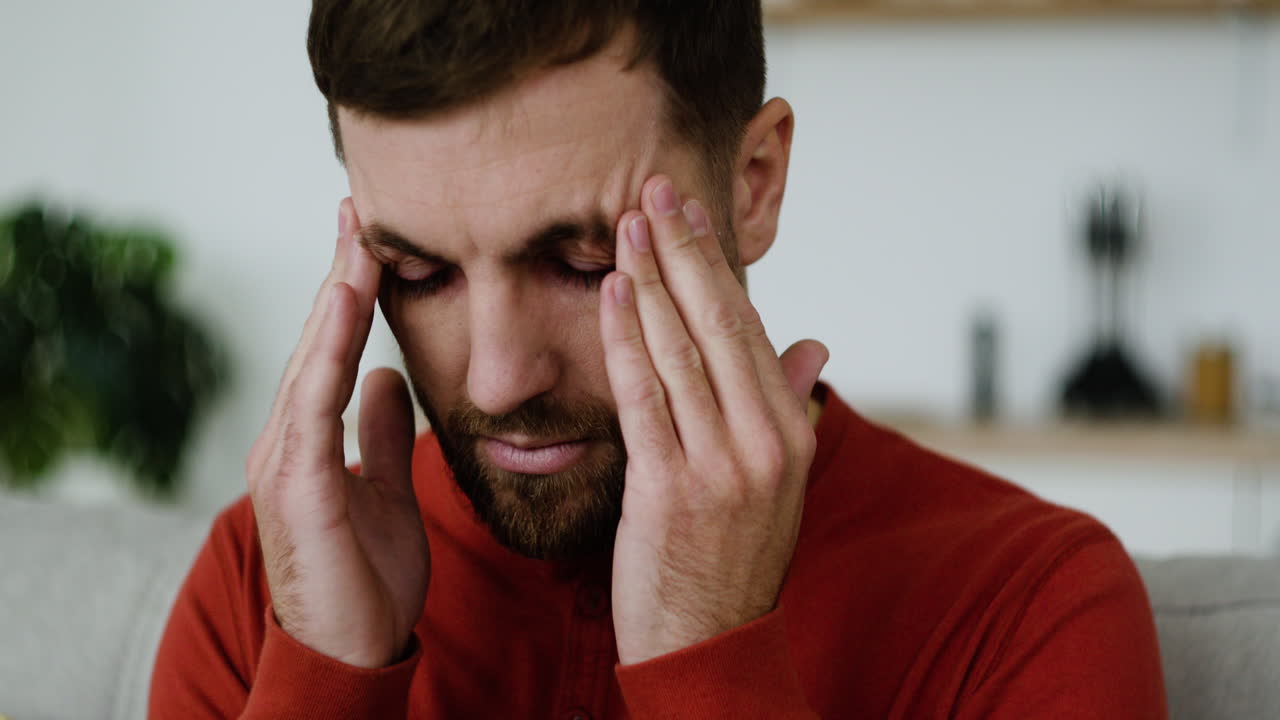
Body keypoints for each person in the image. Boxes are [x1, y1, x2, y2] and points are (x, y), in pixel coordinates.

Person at [149, 2, 1168, 718]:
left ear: (754, 183)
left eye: (580, 259)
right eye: (416, 274)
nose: (500, 380)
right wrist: (322, 683)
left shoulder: (1027, 602)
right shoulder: (269, 588)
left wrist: (708, 662)